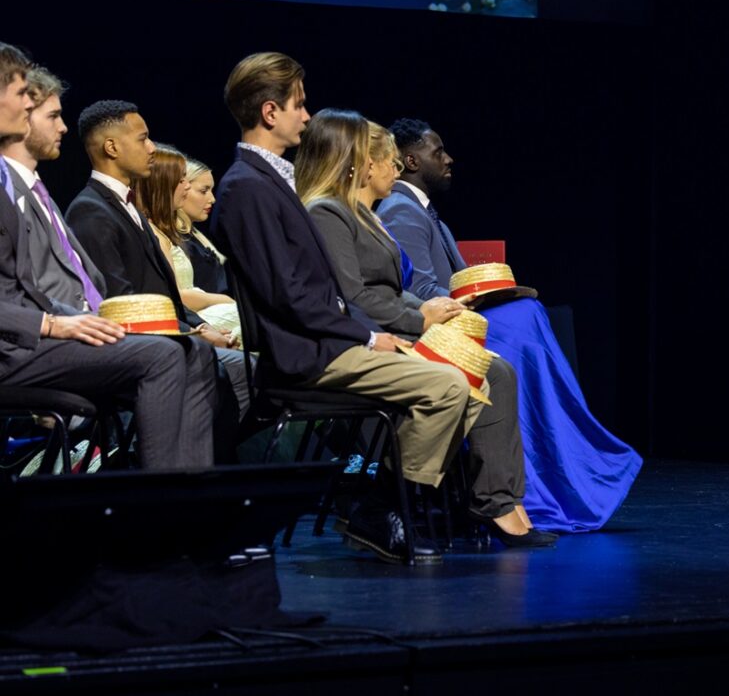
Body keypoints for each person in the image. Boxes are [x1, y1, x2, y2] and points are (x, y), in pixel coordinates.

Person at [210, 52, 553, 562]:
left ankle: (395, 505)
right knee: (446, 386)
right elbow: (289, 294)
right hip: (305, 356)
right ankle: (378, 505)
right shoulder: (247, 188)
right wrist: (368, 336)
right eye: (299, 106)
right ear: (269, 112)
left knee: (471, 377)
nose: (306, 116)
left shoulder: (268, 183)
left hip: (327, 341)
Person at [380, 118, 641, 533]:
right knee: (523, 319)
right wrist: (482, 296)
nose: (448, 159)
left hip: (456, 319)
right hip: (436, 332)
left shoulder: (427, 214)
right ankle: (539, 473)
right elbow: (420, 287)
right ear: (410, 160)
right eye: (437, 151)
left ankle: (555, 457)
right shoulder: (400, 210)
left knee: (527, 312)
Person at [301, 115, 541, 535]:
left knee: (496, 369)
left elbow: (394, 288)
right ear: (361, 164)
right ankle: (395, 500)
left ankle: (493, 499)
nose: (395, 169)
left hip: (393, 322)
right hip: (360, 336)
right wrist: (420, 319)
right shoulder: (328, 212)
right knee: (472, 375)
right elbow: (353, 296)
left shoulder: (365, 214)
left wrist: (439, 308)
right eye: (387, 161)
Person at [0, 42, 215, 469]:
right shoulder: (18, 190)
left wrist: (77, 320)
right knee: (161, 355)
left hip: (32, 336)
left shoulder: (15, 189)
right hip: (14, 348)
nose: (28, 104)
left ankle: (191, 501)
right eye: (22, 92)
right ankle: (156, 505)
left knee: (192, 352)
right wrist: (51, 323)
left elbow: (28, 284)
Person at [64, 100, 252, 447]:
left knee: (244, 367)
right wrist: (193, 333)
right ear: (112, 147)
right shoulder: (91, 211)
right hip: (141, 343)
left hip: (170, 334)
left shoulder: (127, 206)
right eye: (143, 139)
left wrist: (201, 326)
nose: (152, 148)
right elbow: (120, 300)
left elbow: (164, 289)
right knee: (236, 369)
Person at [0, 66, 106, 311]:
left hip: (94, 316)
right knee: (171, 350)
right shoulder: (9, 190)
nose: (63, 127)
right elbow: (23, 291)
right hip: (56, 327)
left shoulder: (37, 190)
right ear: (23, 117)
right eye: (53, 116)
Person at [133, 145, 240, 339]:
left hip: (195, 316)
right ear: (164, 185)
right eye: (181, 181)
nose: (186, 187)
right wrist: (221, 303)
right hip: (186, 320)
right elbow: (171, 296)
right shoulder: (155, 234)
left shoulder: (171, 235)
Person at [178, 156, 231, 296]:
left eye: (211, 191)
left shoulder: (195, 236)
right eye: (203, 191)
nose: (212, 199)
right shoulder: (175, 240)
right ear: (181, 188)